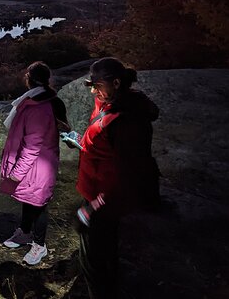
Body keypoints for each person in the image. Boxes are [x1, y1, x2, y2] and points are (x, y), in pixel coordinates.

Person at [75, 57, 160, 299]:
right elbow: (103, 144)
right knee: (101, 254)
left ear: (116, 82)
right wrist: (82, 141)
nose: (93, 90)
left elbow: (127, 172)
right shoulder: (107, 104)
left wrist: (93, 207)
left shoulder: (127, 121)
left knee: (96, 263)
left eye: (97, 85)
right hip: (97, 193)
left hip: (105, 202)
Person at [0, 61, 70, 265]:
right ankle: (25, 233)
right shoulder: (44, 100)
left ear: (29, 78)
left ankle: (40, 245)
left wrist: (16, 172)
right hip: (34, 160)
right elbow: (63, 128)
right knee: (28, 197)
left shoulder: (37, 104)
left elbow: (33, 144)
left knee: (38, 203)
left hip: (38, 163)